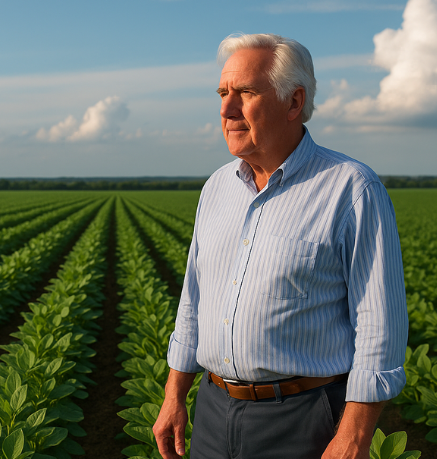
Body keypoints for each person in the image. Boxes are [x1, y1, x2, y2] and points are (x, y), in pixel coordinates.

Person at [152, 33, 408, 459]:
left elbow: (380, 326)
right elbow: (194, 301)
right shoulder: (216, 187)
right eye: (222, 93)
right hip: (213, 411)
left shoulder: (351, 188)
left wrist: (355, 437)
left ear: (294, 102)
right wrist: (174, 395)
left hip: (302, 418)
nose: (226, 109)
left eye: (246, 92)